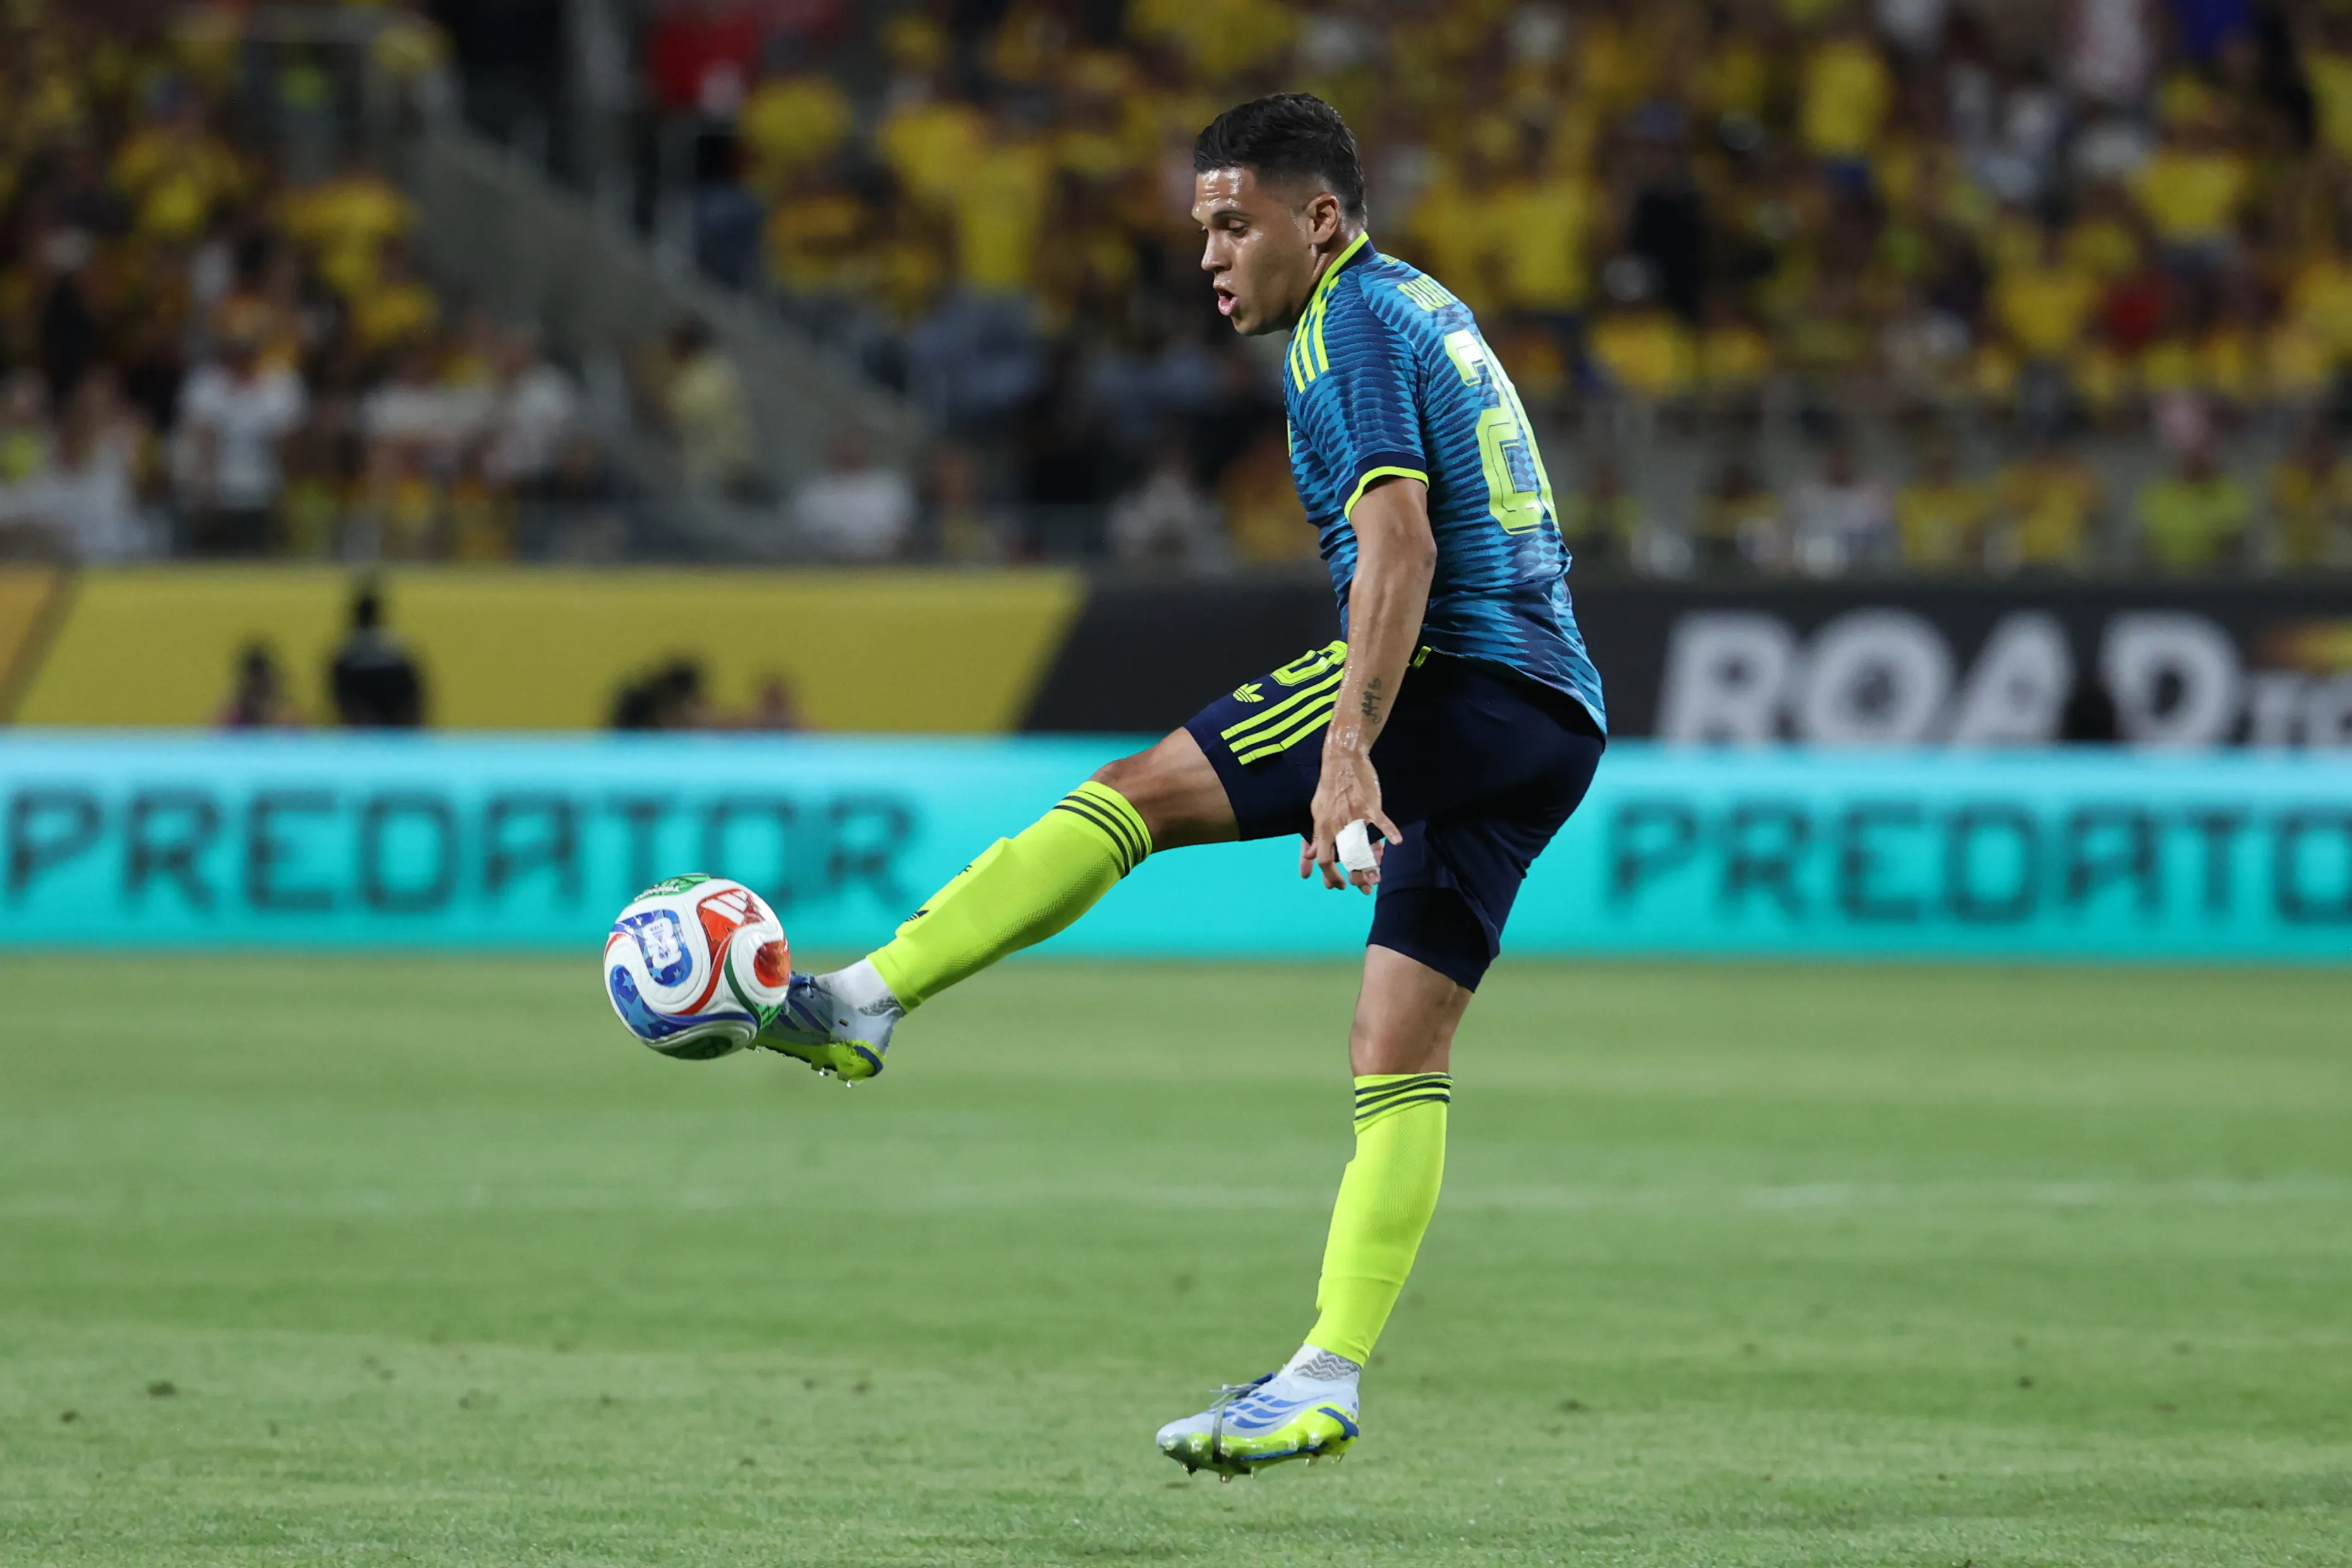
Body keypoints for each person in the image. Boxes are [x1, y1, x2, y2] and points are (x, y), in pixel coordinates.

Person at [736, 95, 1607, 1478]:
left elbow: (1401, 546)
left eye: (1233, 224)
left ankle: (863, 1000)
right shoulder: (1416, 303)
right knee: (1396, 1048)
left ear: (1317, 219)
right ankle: (1322, 1376)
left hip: (1459, 671)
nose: (1209, 256)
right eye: (1202, 228)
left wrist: (1349, 747)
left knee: (1132, 794)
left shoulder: (1345, 325)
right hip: (1554, 711)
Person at [329, 582, 425, 727]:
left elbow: (339, 702)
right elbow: (413, 703)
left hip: (363, 728)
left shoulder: (344, 657)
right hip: (394, 728)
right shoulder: (397, 654)